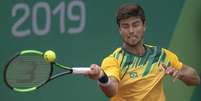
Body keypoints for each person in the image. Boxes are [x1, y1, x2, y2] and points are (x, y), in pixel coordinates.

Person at [86, 3, 200, 101]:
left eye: (135, 25)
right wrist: (102, 77)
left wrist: (181, 74)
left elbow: (195, 79)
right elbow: (111, 90)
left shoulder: (161, 55)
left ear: (144, 26)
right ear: (120, 29)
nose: (131, 31)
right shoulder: (113, 60)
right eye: (125, 26)